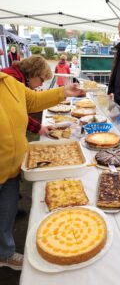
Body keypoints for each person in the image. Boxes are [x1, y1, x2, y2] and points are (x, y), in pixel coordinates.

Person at [0, 75, 85, 270]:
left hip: (13, 168)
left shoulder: (8, 81)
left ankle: (4, 254)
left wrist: (63, 92)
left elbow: (34, 100)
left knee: (6, 214)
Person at [2, 55, 54, 135]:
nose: (41, 84)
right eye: (42, 80)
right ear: (34, 73)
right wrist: (38, 128)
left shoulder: (17, 76)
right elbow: (16, 114)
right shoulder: (13, 78)